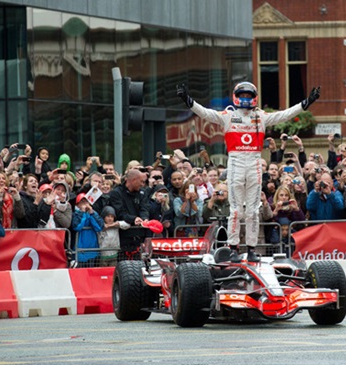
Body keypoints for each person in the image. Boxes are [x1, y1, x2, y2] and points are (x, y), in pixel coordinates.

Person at [177, 81, 320, 262]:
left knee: (253, 210)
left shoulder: (261, 116)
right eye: (242, 96)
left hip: (254, 162)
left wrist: (306, 103)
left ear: (254, 98)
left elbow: (284, 115)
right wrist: (188, 100)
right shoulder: (228, 115)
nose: (245, 99)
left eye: (248, 96)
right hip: (235, 162)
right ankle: (233, 248)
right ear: (237, 97)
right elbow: (206, 113)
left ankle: (251, 249)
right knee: (236, 211)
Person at [108, 169, 149, 259]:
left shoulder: (142, 193)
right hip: (123, 238)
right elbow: (120, 212)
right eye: (141, 181)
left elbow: (144, 208)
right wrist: (133, 219)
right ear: (134, 180)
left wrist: (144, 218)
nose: (143, 184)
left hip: (140, 237)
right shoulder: (116, 193)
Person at [72, 193, 104, 267]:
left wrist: (92, 213)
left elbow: (99, 227)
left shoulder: (93, 213)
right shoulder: (75, 214)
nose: (85, 204)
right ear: (77, 204)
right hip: (79, 251)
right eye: (82, 202)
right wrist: (82, 213)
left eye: (86, 202)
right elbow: (77, 227)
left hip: (92, 250)